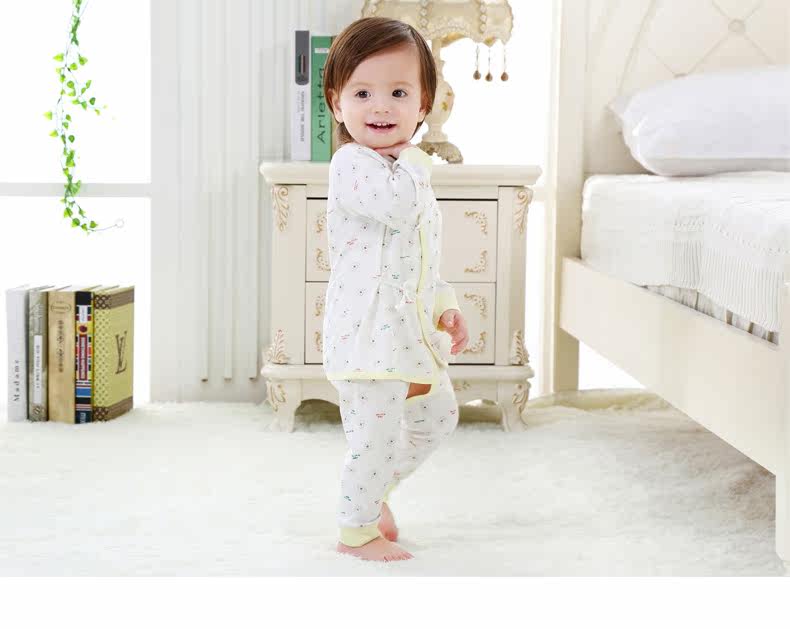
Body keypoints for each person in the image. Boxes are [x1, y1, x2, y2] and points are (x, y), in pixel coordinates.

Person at [322, 16, 470, 562]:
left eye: (399, 93)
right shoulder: (354, 165)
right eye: (362, 93)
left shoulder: (407, 170)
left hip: (409, 333)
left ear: (424, 104)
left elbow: (421, 259)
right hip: (367, 339)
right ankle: (356, 529)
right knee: (374, 439)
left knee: (438, 418)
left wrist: (446, 306)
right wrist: (414, 159)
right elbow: (400, 208)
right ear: (337, 104)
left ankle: (373, 492)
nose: (380, 107)